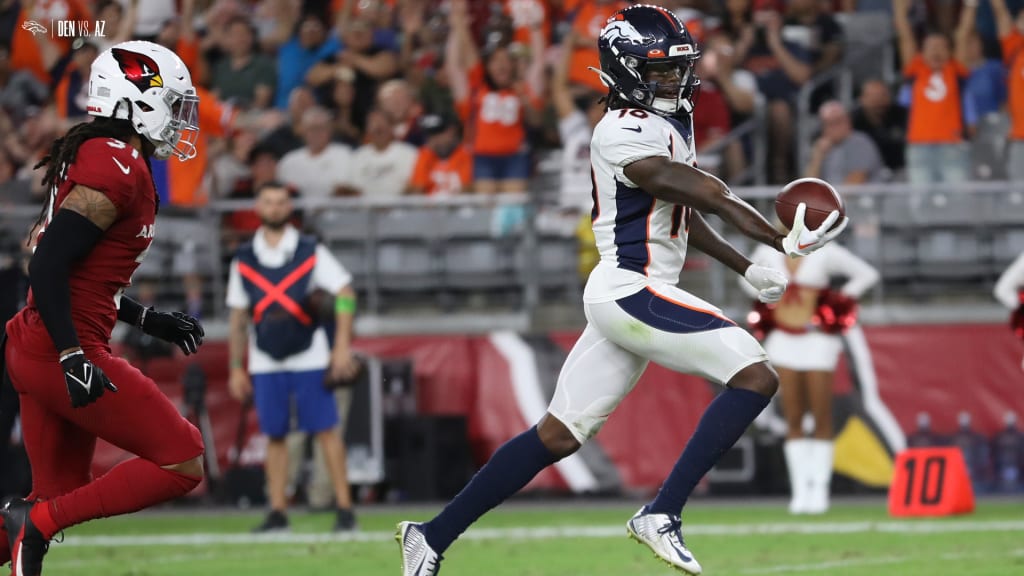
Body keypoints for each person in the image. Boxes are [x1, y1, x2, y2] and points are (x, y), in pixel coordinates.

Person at [396, 6, 848, 576]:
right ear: (624, 71)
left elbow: (679, 211)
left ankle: (430, 536)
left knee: (557, 435)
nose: (673, 80)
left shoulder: (668, 121)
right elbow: (695, 189)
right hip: (630, 289)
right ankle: (662, 513)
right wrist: (776, 235)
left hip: (632, 293)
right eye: (658, 71)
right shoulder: (619, 129)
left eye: (676, 68)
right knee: (755, 375)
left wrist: (743, 266)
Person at [0, 41, 207, 576]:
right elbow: (45, 264)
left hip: (39, 340)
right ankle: (36, 524)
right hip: (59, 347)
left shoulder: (106, 154)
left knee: (58, 494)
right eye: (174, 104)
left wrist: (143, 317)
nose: (180, 121)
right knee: (183, 458)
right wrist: (73, 354)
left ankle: (31, 523)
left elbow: (81, 274)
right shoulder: (115, 163)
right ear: (137, 99)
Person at [226, 181, 360, 533]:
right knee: (274, 435)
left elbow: (345, 292)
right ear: (258, 206)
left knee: (326, 432)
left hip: (310, 354)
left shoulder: (309, 249)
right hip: (265, 357)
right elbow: (238, 317)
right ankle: (277, 511)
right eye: (268, 201)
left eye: (281, 202)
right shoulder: (244, 257)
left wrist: (341, 347)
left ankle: (345, 510)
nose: (275, 208)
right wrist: (236, 367)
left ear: (290, 208)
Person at [741, 232, 879, 514]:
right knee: (792, 414)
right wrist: (766, 295)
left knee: (820, 414)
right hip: (782, 339)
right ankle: (800, 490)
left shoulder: (826, 249)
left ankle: (820, 489)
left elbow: (866, 274)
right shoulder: (767, 247)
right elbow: (744, 277)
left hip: (818, 340)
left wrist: (838, 300)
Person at [804, 101, 885, 184]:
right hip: (831, 195)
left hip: (862, 196)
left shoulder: (859, 143)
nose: (835, 128)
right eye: (829, 124)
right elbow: (808, 187)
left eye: (838, 122)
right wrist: (817, 157)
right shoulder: (822, 148)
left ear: (848, 121)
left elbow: (854, 186)